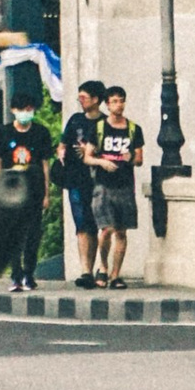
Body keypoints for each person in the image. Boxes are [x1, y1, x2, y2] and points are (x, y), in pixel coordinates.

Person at [0, 88, 48, 292]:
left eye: (29, 109)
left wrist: (46, 193)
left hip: (34, 188)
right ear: (13, 110)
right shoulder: (3, 133)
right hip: (11, 189)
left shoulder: (41, 133)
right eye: (21, 109)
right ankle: (16, 275)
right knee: (12, 233)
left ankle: (29, 273)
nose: (25, 113)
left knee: (33, 234)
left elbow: (45, 165)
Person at [91, 87, 143, 285]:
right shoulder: (99, 128)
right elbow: (88, 156)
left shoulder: (133, 129)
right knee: (106, 229)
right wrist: (102, 162)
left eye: (121, 101)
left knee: (121, 231)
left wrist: (131, 158)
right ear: (107, 104)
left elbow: (139, 159)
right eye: (114, 101)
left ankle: (116, 274)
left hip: (125, 184)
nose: (119, 105)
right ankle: (103, 266)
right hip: (104, 184)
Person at [58, 80, 105, 286]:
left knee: (99, 224)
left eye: (84, 97)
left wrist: (91, 151)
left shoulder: (105, 123)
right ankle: (85, 270)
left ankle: (101, 267)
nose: (81, 101)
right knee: (82, 224)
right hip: (76, 177)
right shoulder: (75, 120)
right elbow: (63, 143)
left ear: (96, 99)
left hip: (98, 179)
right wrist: (62, 152)